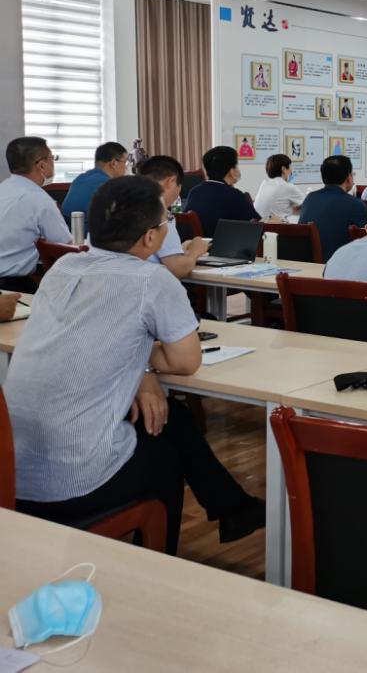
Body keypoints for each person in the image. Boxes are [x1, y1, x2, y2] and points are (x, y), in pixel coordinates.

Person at [5, 176, 264, 554]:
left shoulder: (62, 268)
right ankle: (159, 562)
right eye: (166, 222)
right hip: (72, 484)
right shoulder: (152, 280)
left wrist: (140, 369)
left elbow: (88, 339)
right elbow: (186, 361)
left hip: (12, 475)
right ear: (150, 237)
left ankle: (234, 508)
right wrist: (143, 363)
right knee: (165, 456)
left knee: (170, 416)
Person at [0, 136, 72, 292]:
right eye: (52, 158)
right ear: (42, 165)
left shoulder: (3, 188)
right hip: (12, 287)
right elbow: (64, 245)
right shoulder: (39, 199)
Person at [135, 155, 210, 278]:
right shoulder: (160, 214)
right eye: (179, 187)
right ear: (171, 182)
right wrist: (196, 251)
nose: (177, 195)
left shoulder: (121, 207)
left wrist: (180, 249)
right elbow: (177, 269)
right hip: (149, 284)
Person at [298, 155, 367, 260]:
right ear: (349, 177)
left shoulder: (310, 199)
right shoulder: (355, 204)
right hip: (340, 264)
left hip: (307, 264)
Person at [183, 145, 259, 236]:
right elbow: (257, 223)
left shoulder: (194, 191)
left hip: (198, 242)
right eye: (236, 165)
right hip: (225, 243)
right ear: (231, 170)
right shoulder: (234, 195)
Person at [60, 141, 128, 230]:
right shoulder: (108, 186)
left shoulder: (80, 179)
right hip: (92, 235)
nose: (126, 167)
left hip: (70, 234)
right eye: (125, 162)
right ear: (114, 163)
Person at [254, 153, 306, 220]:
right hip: (278, 225)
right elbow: (309, 203)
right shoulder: (287, 186)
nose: (291, 171)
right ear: (283, 169)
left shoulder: (264, 184)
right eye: (290, 167)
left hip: (261, 224)